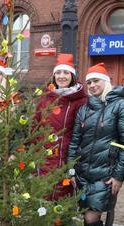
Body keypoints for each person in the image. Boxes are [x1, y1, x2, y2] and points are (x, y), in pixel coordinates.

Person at [67, 63, 124, 226]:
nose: (92, 85)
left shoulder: (121, 107)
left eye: (96, 81)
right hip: (82, 174)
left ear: (106, 82)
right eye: (88, 82)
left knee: (91, 217)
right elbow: (74, 142)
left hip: (106, 175)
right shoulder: (84, 109)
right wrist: (71, 171)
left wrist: (119, 176)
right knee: (87, 217)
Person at [34, 53, 87, 200]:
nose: (61, 76)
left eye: (66, 72)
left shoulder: (81, 101)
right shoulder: (44, 99)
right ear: (53, 76)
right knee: (42, 200)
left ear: (72, 76)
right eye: (58, 72)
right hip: (43, 160)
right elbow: (34, 128)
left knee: (62, 202)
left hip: (67, 160)